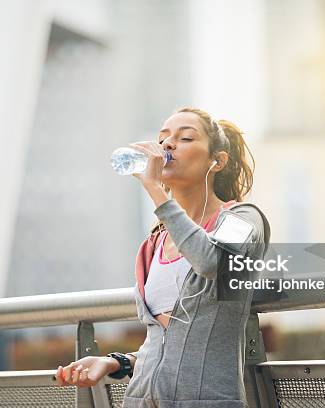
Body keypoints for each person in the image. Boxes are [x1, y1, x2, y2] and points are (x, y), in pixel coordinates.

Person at [55, 107, 270, 407]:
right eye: (163, 138)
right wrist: (117, 363)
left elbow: (211, 261)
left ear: (216, 161)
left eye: (185, 138)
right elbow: (165, 340)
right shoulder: (156, 241)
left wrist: (156, 191)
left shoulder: (243, 219)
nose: (167, 145)